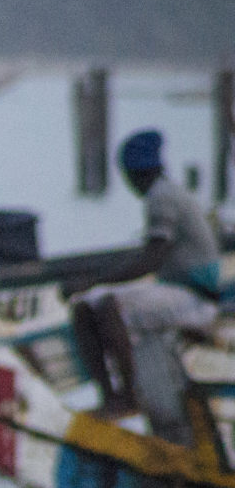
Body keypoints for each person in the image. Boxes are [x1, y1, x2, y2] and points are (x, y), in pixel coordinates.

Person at [73, 129, 223, 444]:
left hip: (196, 299)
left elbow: (151, 259)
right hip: (179, 292)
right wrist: (94, 283)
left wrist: (97, 279)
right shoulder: (165, 193)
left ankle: (128, 397)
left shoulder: (161, 197)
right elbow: (148, 257)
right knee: (84, 307)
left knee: (110, 305)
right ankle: (110, 396)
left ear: (135, 172)